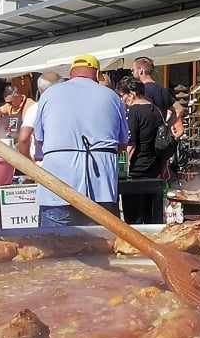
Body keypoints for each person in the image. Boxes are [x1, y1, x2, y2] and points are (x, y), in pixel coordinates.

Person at [17, 54, 127, 227]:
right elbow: (122, 145)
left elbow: (39, 141)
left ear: (71, 73)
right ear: (97, 73)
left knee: (54, 250)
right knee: (103, 249)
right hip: (101, 189)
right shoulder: (112, 97)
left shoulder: (49, 94)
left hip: (58, 185)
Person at [121, 79, 168, 224]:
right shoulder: (157, 110)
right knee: (152, 217)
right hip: (154, 170)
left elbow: (131, 144)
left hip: (136, 172)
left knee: (133, 219)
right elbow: (162, 141)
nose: (123, 99)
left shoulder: (134, 111)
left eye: (124, 95)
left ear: (133, 93)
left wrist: (122, 169)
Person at [0, 82, 30, 187]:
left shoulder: (29, 105)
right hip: (14, 142)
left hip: (26, 144)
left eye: (10, 102)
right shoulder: (10, 105)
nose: (9, 104)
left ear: (17, 96)